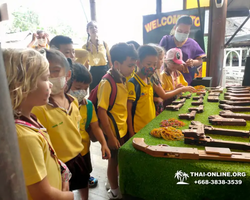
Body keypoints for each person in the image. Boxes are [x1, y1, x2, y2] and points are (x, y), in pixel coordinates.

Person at [3, 48, 74, 200]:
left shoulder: (30, 118)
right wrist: (69, 196)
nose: (50, 85)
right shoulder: (24, 137)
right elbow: (44, 195)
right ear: (22, 85)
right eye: (46, 78)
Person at [32, 49, 89, 200]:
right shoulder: (39, 108)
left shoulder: (74, 101)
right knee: (63, 192)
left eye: (55, 71)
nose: (50, 77)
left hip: (78, 155)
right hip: (58, 163)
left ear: (68, 74)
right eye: (45, 73)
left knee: (83, 183)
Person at [97, 43, 138, 199]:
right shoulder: (106, 83)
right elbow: (102, 111)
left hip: (122, 129)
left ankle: (116, 182)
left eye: (134, 65)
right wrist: (111, 137)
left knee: (119, 159)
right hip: (112, 131)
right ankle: (114, 190)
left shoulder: (124, 79)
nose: (133, 69)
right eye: (130, 65)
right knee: (113, 161)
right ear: (116, 64)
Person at [127, 45, 196, 136]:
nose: (152, 67)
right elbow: (128, 111)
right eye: (149, 64)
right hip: (138, 128)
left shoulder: (150, 79)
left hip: (150, 124)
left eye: (154, 64)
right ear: (138, 63)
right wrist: (131, 133)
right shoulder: (133, 83)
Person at [68, 62, 111, 187]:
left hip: (84, 150)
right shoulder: (61, 107)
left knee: (84, 179)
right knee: (66, 183)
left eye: (85, 88)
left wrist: (103, 144)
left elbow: (95, 127)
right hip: (66, 154)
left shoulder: (88, 106)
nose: (81, 92)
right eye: (77, 88)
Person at [159, 15, 206, 85]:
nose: (182, 34)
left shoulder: (192, 43)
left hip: (185, 80)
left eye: (186, 32)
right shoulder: (166, 40)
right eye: (180, 31)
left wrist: (193, 62)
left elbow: (200, 60)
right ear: (175, 28)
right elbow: (158, 57)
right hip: (166, 79)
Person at [83, 21, 112, 92]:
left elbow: (109, 58)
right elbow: (85, 63)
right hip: (93, 72)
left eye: (95, 27)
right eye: (91, 27)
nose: (94, 29)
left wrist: (112, 71)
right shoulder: (85, 47)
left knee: (106, 92)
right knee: (94, 93)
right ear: (87, 30)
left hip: (105, 71)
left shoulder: (104, 43)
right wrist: (85, 76)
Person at [148, 43, 165, 115]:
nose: (162, 61)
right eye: (160, 59)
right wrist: (181, 90)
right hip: (153, 109)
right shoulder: (151, 76)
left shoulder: (156, 74)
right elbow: (163, 95)